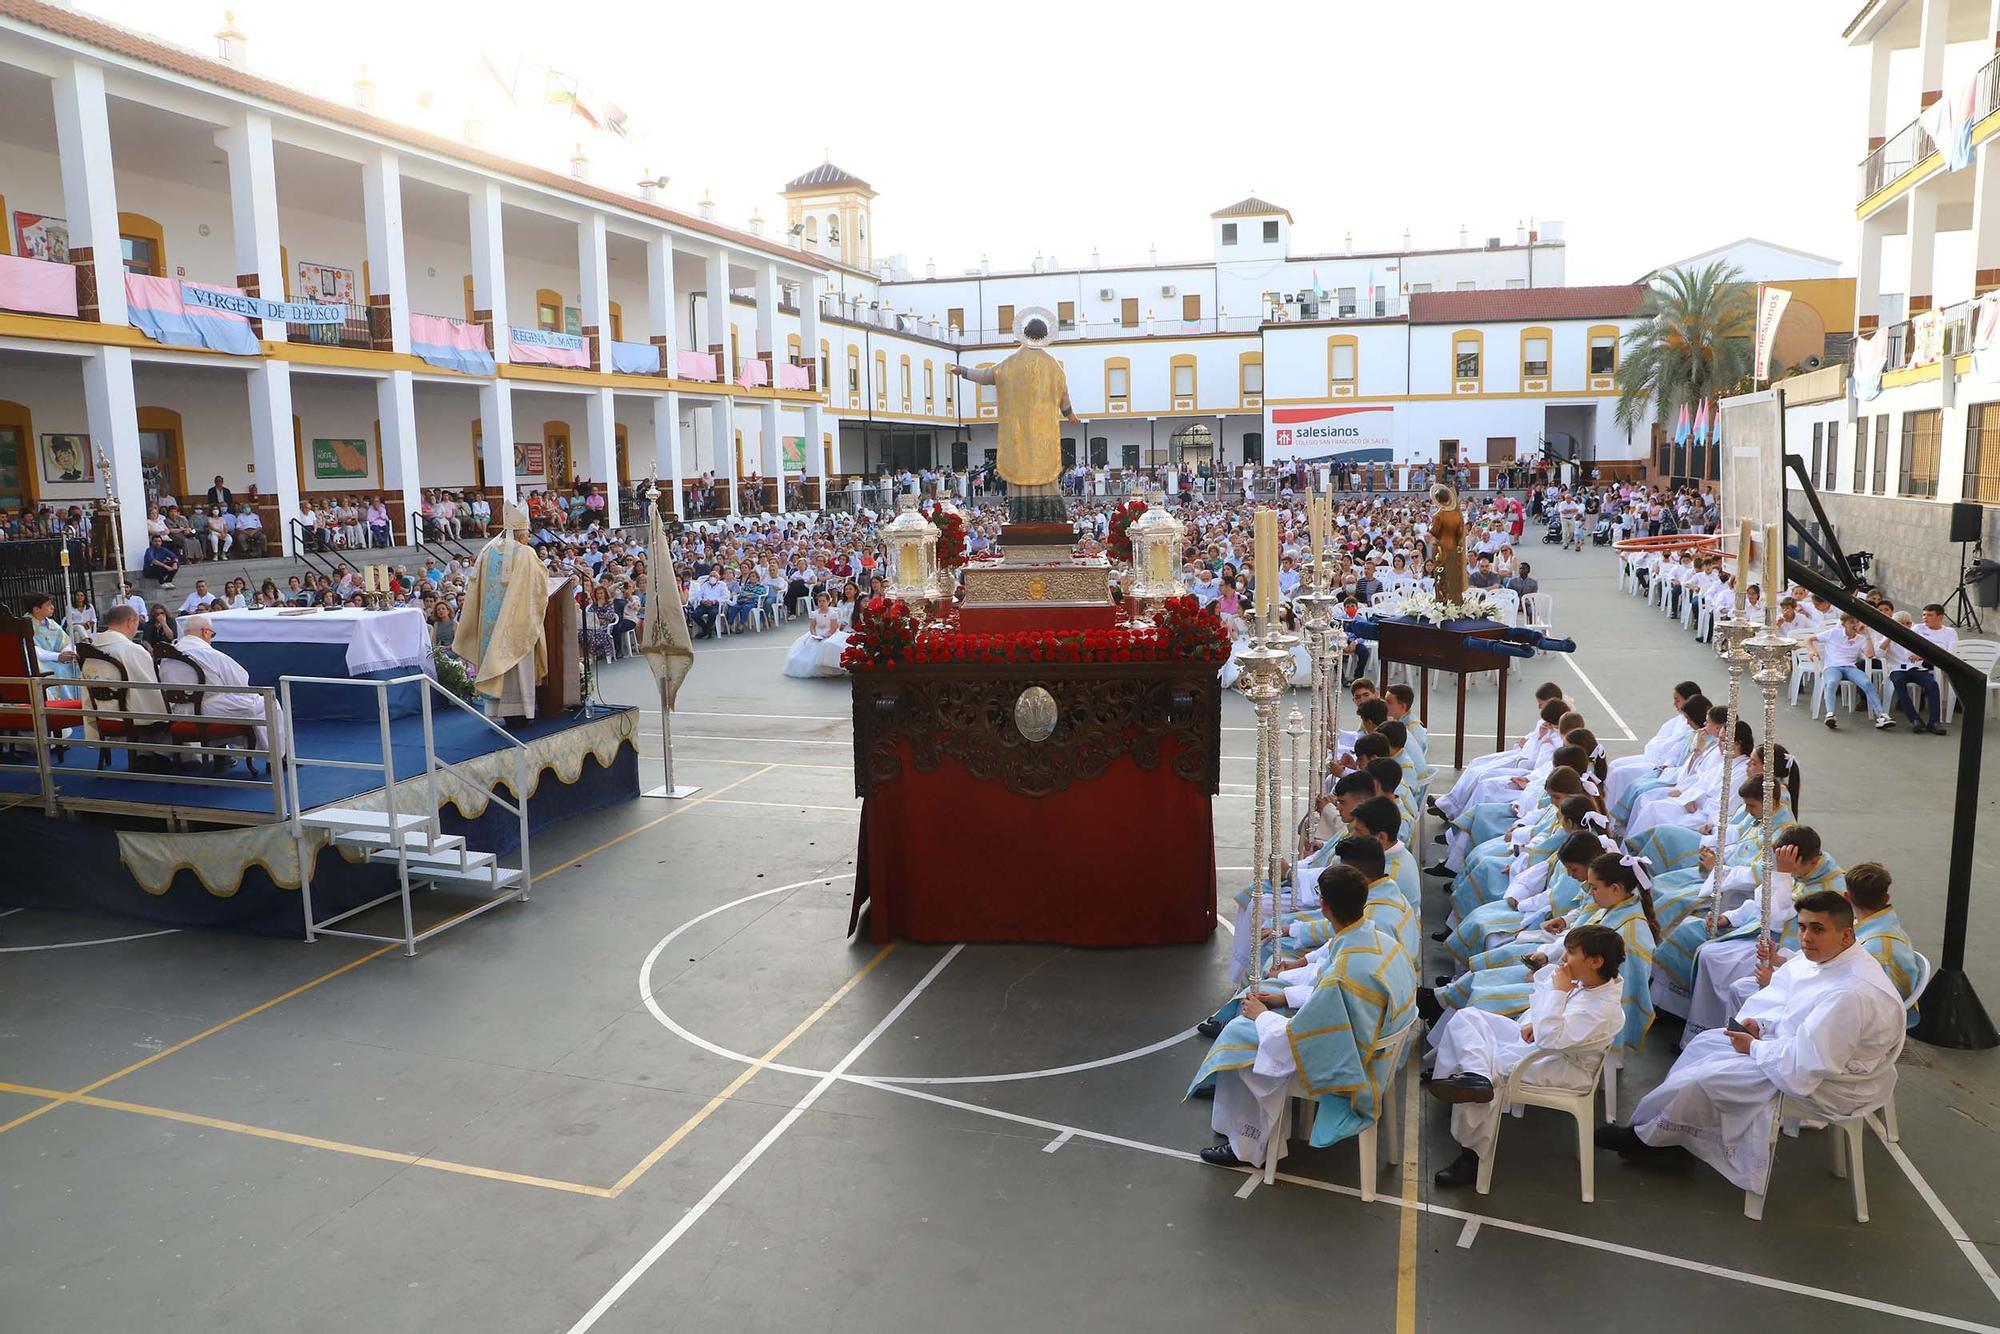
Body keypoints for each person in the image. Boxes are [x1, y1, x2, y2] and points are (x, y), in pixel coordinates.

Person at [1602, 891, 1906, 1195]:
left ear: (1846, 934)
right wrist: (1759, 1024)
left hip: (1831, 1082)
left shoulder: (1850, 993)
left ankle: (1651, 1141)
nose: (1806, 937)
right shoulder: (1826, 959)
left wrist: (1755, 1047)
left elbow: (1808, 1065)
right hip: (1795, 1051)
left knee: (1708, 1078)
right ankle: (1666, 1138)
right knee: (1705, 1044)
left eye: (1818, 929)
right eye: (1802, 927)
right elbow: (1784, 1001)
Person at [1188, 866, 1416, 1168]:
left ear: (1324, 906)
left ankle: (1246, 1143)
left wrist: (1260, 1016)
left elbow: (1292, 1039)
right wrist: (1285, 997)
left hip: (1353, 1061)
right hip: (1377, 1043)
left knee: (1240, 1034)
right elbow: (1337, 997)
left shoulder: (1342, 974)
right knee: (1254, 1020)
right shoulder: (1375, 938)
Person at [1427, 923, 1627, 1187]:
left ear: (1595, 961)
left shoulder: (1601, 1008)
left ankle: (1472, 1157)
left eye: (1570, 953)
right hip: (1545, 1047)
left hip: (1560, 1066)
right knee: (1469, 1018)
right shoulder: (1593, 984)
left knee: (1492, 1067)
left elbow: (1552, 1037)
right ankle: (1474, 1077)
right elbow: (1552, 1021)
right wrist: (1538, 1018)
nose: (1564, 959)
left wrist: (1556, 992)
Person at [947, 308, 1080, 525]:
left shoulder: (1011, 362)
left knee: (1021, 466)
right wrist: (1069, 414)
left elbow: (986, 375)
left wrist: (963, 371)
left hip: (1017, 430)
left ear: (1023, 334)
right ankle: (1049, 516)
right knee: (1043, 468)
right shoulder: (1053, 365)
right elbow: (1063, 393)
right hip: (1043, 430)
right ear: (1046, 336)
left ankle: (1023, 517)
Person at [452, 503, 550, 722]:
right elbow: (539, 583)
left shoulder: (488, 551)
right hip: (516, 621)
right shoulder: (525, 554)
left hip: (490, 622)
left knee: (496, 658)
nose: (528, 540)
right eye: (527, 536)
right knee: (515, 661)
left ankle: (496, 711)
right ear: (522, 535)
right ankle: (520, 712)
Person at [171, 613, 285, 763]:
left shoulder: (169, 653)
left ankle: (221, 754)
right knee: (270, 704)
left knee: (246, 706)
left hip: (180, 711)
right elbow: (241, 682)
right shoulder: (209, 654)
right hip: (210, 709)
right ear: (206, 632)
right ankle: (276, 758)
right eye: (211, 634)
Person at [81, 604, 168, 768]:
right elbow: (151, 688)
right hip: (129, 715)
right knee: (173, 710)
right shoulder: (132, 650)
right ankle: (163, 757)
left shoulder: (90, 648)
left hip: (101, 712)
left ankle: (144, 754)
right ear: (130, 621)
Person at [1809, 613, 1895, 730]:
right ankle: (1830, 714)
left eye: (1856, 622)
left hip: (1850, 667)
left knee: (1867, 683)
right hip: (1832, 667)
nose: (1854, 624)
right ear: (1844, 623)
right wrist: (1811, 650)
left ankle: (1881, 716)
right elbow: (1809, 639)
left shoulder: (1860, 638)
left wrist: (1866, 634)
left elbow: (1870, 655)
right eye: (1851, 622)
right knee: (1832, 682)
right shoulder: (1834, 633)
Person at [1889, 602, 1958, 734]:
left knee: (1932, 684)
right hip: (1913, 665)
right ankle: (1914, 719)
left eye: (1929, 615)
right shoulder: (1918, 629)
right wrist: (1934, 651)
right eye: (1924, 615)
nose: (1925, 618)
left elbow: (1951, 651)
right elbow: (1911, 651)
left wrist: (1925, 654)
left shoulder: (1950, 632)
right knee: (1898, 682)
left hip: (1936, 664)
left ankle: (1934, 722)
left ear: (1940, 617)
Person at [25, 592, 80, 702]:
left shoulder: (52, 624)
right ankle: (61, 703)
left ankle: (77, 702)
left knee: (76, 666)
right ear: (36, 609)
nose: (52, 607)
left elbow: (66, 641)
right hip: (40, 662)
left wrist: (67, 653)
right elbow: (30, 649)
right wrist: (57, 656)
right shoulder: (25, 624)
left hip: (59, 659)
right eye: (48, 605)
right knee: (57, 671)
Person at [783, 591, 846, 679]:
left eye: (824, 601)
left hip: (829, 633)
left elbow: (833, 628)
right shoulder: (814, 613)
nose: (821, 603)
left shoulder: (832, 614)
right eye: (819, 601)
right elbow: (812, 626)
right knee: (807, 647)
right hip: (817, 632)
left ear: (828, 602)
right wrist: (814, 634)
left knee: (824, 645)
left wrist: (826, 635)